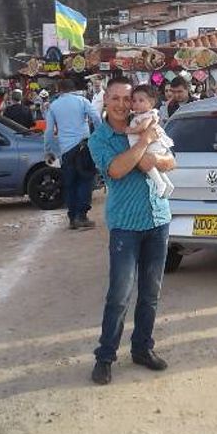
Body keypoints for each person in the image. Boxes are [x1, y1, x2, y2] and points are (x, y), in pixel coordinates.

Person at [87, 77, 176, 384]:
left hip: (158, 219)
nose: (123, 104)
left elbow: (171, 160)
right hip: (125, 225)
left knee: (151, 293)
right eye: (116, 98)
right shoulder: (99, 139)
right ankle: (105, 356)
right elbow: (116, 169)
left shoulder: (147, 124)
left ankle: (142, 348)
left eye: (128, 98)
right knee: (120, 295)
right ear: (105, 101)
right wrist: (142, 144)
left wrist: (156, 158)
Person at [44, 78, 102, 231]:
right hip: (84, 147)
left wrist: (49, 150)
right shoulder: (82, 101)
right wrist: (98, 136)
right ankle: (82, 217)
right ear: (73, 88)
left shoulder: (53, 106)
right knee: (85, 180)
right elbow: (96, 118)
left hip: (66, 151)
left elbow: (49, 131)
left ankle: (72, 217)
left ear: (59, 89)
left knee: (70, 184)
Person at [126, 85, 175, 198]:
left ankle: (160, 184)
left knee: (147, 163)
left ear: (151, 102)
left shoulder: (149, 115)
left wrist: (130, 130)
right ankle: (168, 184)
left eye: (141, 100)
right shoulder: (139, 115)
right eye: (134, 101)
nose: (136, 103)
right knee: (156, 168)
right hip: (151, 145)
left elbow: (143, 127)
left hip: (152, 145)